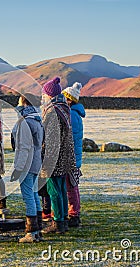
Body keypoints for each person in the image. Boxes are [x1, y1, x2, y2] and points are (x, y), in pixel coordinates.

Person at [40, 77, 77, 235]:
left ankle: (58, 222)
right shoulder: (64, 108)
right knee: (61, 189)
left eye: (44, 95)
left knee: (54, 190)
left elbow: (49, 138)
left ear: (49, 95)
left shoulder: (52, 111)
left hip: (54, 157)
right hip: (65, 156)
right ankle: (63, 220)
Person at [10, 93, 44, 243]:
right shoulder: (37, 120)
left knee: (28, 196)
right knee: (34, 194)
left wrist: (18, 168)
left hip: (27, 164)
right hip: (36, 162)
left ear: (24, 103)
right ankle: (38, 230)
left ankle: (31, 231)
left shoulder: (25, 123)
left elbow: (23, 148)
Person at [62, 82, 85, 227]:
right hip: (74, 156)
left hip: (71, 157)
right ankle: (74, 212)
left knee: (71, 186)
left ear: (69, 100)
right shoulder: (76, 114)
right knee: (72, 185)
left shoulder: (71, 115)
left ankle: (74, 213)